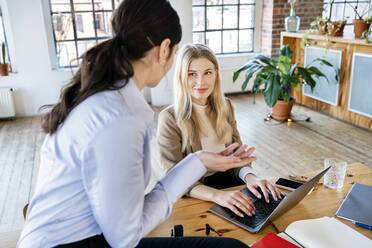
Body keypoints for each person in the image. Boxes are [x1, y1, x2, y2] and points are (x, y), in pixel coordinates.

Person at [17, 1, 256, 247]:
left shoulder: (107, 98)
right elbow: (125, 237)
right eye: (175, 53)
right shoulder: (119, 118)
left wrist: (200, 161)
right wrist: (196, 164)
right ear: (164, 49)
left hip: (88, 235)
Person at [157, 44, 283, 218]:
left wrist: (250, 177)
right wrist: (217, 196)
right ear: (181, 77)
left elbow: (237, 155)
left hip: (229, 181)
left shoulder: (226, 106)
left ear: (216, 73)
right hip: (197, 190)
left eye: (207, 72)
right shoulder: (169, 118)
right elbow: (174, 179)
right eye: (192, 74)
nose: (201, 82)